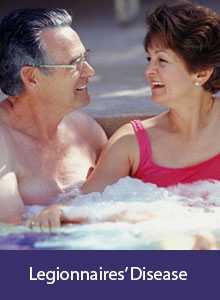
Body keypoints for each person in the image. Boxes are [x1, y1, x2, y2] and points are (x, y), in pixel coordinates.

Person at [30, 0, 220, 229]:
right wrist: (57, 212)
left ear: (201, 73)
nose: (149, 71)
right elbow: (85, 204)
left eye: (163, 61)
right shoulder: (131, 142)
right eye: (149, 59)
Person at [0, 9, 107, 223]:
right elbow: (10, 233)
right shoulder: (4, 142)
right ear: (32, 77)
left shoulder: (85, 131)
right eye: (76, 64)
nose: (90, 71)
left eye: (86, 58)